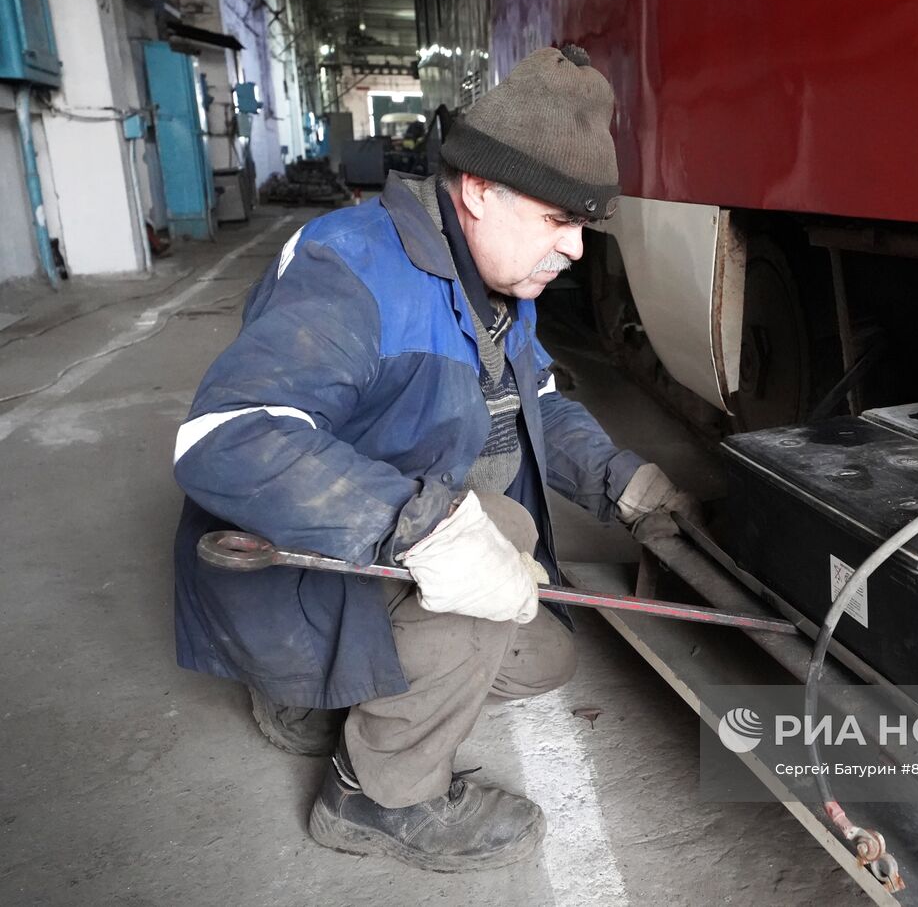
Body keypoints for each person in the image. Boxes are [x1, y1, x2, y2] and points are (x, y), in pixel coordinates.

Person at [171, 45, 699, 872]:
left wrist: (624, 482)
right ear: (480, 190)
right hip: (302, 564)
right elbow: (226, 438)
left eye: (583, 227)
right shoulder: (349, 266)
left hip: (371, 565)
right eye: (559, 221)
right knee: (499, 543)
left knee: (546, 653)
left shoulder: (494, 281)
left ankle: (330, 694)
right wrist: (426, 528)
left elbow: (535, 401)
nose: (575, 250)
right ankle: (376, 797)